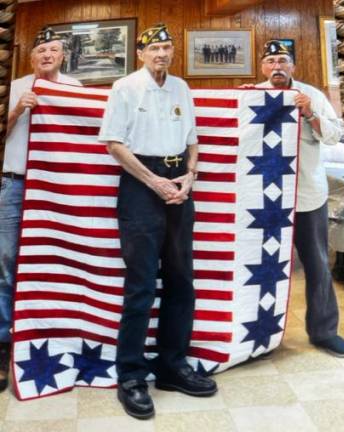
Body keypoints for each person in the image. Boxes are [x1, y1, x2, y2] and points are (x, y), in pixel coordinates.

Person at [99, 23, 217, 420]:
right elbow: (114, 143)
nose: (163, 53)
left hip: (179, 183)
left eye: (167, 46)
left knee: (182, 277)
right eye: (155, 48)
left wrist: (191, 176)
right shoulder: (125, 87)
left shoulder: (181, 86)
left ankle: (172, 365)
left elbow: (193, 139)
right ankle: (131, 375)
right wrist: (154, 182)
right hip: (140, 183)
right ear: (141, 54)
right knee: (142, 283)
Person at [257, 40, 344, 358]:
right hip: (263, 198)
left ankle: (324, 332)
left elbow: (336, 135)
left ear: (293, 66)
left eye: (283, 60)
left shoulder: (311, 95)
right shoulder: (251, 97)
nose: (277, 66)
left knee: (317, 264)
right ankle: (258, 335)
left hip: (307, 195)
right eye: (270, 61)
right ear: (263, 67)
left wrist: (309, 112)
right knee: (262, 265)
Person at [0, 26, 81, 393]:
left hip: (57, 185)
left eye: (53, 50)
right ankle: (4, 343)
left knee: (54, 261)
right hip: (16, 183)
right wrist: (16, 109)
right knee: (6, 263)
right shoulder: (14, 87)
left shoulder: (75, 89)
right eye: (41, 50)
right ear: (31, 57)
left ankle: (53, 336)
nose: (47, 55)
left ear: (63, 56)